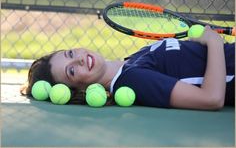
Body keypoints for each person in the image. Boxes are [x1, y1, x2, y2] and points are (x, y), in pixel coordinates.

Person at [21, 26, 235, 110]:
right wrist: (214, 42)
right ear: (80, 89)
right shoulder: (132, 81)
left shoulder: (132, 59)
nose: (78, 60)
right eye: (71, 71)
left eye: (70, 53)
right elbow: (211, 99)